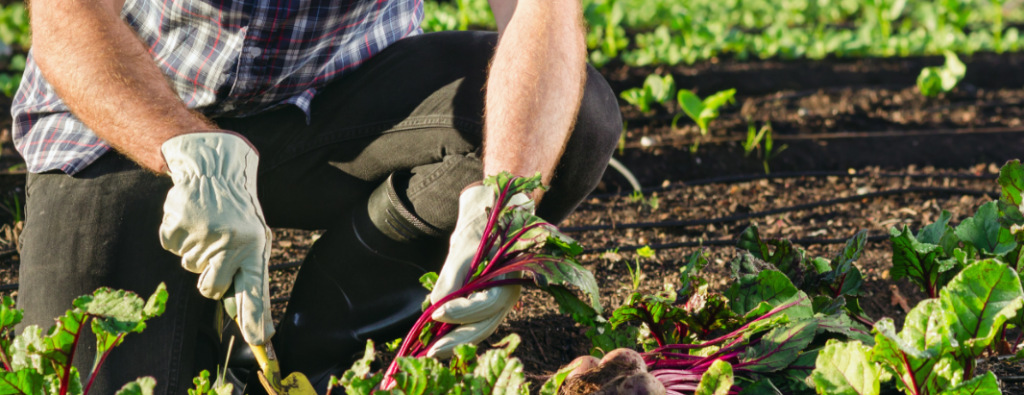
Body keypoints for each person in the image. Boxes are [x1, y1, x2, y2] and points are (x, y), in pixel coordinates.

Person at [14, 0, 621, 393]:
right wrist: (186, 146)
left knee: (572, 127)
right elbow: (67, 18)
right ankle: (204, 330)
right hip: (134, 120)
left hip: (339, 92)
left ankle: (318, 353)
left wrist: (504, 195)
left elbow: (541, 11)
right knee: (98, 379)